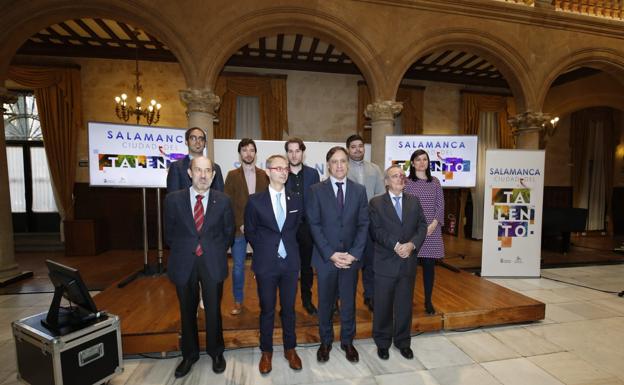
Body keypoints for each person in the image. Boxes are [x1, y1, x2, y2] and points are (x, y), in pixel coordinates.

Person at [164, 156, 235, 378]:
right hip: (184, 262)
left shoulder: (223, 200)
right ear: (189, 173)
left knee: (214, 311)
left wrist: (210, 249)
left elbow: (228, 233)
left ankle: (216, 352)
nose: (203, 175)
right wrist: (189, 248)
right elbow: (169, 234)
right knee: (187, 311)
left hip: (212, 261)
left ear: (213, 175)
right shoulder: (173, 200)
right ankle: (189, 355)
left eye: (208, 171)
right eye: (198, 170)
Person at [307, 146, 369, 364]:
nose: (340, 165)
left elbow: (363, 224)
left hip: (351, 260)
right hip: (326, 259)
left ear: (348, 164)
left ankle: (347, 341)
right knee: (325, 303)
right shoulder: (316, 190)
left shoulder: (359, 190)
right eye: (335, 162)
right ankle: (325, 342)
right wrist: (331, 254)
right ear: (328, 165)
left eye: (343, 161)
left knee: (349, 303)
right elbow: (314, 225)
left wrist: (353, 254)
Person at [244, 154, 303, 374]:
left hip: (290, 263)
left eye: (286, 168)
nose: (283, 171)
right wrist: (267, 249)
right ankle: (266, 351)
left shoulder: (296, 199)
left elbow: (296, 228)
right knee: (267, 309)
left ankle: (290, 349)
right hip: (266, 263)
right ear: (267, 171)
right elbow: (250, 231)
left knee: (289, 309)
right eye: (278, 168)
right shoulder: (255, 201)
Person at [369, 165, 427, 360]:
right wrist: (395, 245)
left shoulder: (414, 201)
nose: (400, 179)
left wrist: (411, 245)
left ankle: (403, 341)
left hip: (407, 262)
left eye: (402, 176)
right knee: (383, 305)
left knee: (404, 305)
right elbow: (375, 230)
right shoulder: (376, 203)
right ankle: (382, 342)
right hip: (385, 261)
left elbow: (422, 226)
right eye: (395, 176)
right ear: (386, 181)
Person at [224, 138, 269, 315]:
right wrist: (240, 224)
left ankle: (264, 301)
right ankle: (238, 301)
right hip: (239, 230)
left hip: (260, 230)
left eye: (251, 150)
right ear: (240, 153)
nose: (248, 153)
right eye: (245, 150)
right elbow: (228, 203)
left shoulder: (264, 175)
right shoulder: (232, 175)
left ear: (255, 153)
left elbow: (267, 203)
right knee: (238, 268)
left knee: (263, 268)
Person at [346, 134, 384, 312]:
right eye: (353, 147)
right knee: (348, 264)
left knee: (370, 262)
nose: (357, 149)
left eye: (360, 146)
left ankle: (370, 296)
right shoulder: (342, 168)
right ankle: (343, 299)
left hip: (370, 223)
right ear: (348, 149)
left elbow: (380, 195)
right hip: (348, 224)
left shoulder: (375, 169)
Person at [404, 149, 445, 315]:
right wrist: (416, 228)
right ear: (412, 163)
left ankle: (428, 301)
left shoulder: (435, 182)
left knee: (429, 268)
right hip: (412, 232)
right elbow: (404, 207)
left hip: (431, 232)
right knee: (409, 270)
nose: (422, 162)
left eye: (425, 159)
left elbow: (440, 205)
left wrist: (434, 224)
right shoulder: (406, 182)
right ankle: (406, 301)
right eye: (418, 160)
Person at [284, 138, 320, 315]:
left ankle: (307, 301)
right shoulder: (282, 173)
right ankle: (287, 305)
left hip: (307, 229)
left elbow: (316, 202)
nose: (293, 154)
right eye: (290, 151)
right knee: (288, 268)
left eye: (297, 151)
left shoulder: (313, 174)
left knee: (306, 268)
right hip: (288, 229)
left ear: (303, 153)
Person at [166, 127, 224, 193]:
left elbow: (220, 196)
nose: (197, 142)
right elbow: (173, 197)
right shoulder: (176, 167)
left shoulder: (215, 168)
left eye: (201, 139)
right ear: (186, 142)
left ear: (205, 143)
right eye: (193, 138)